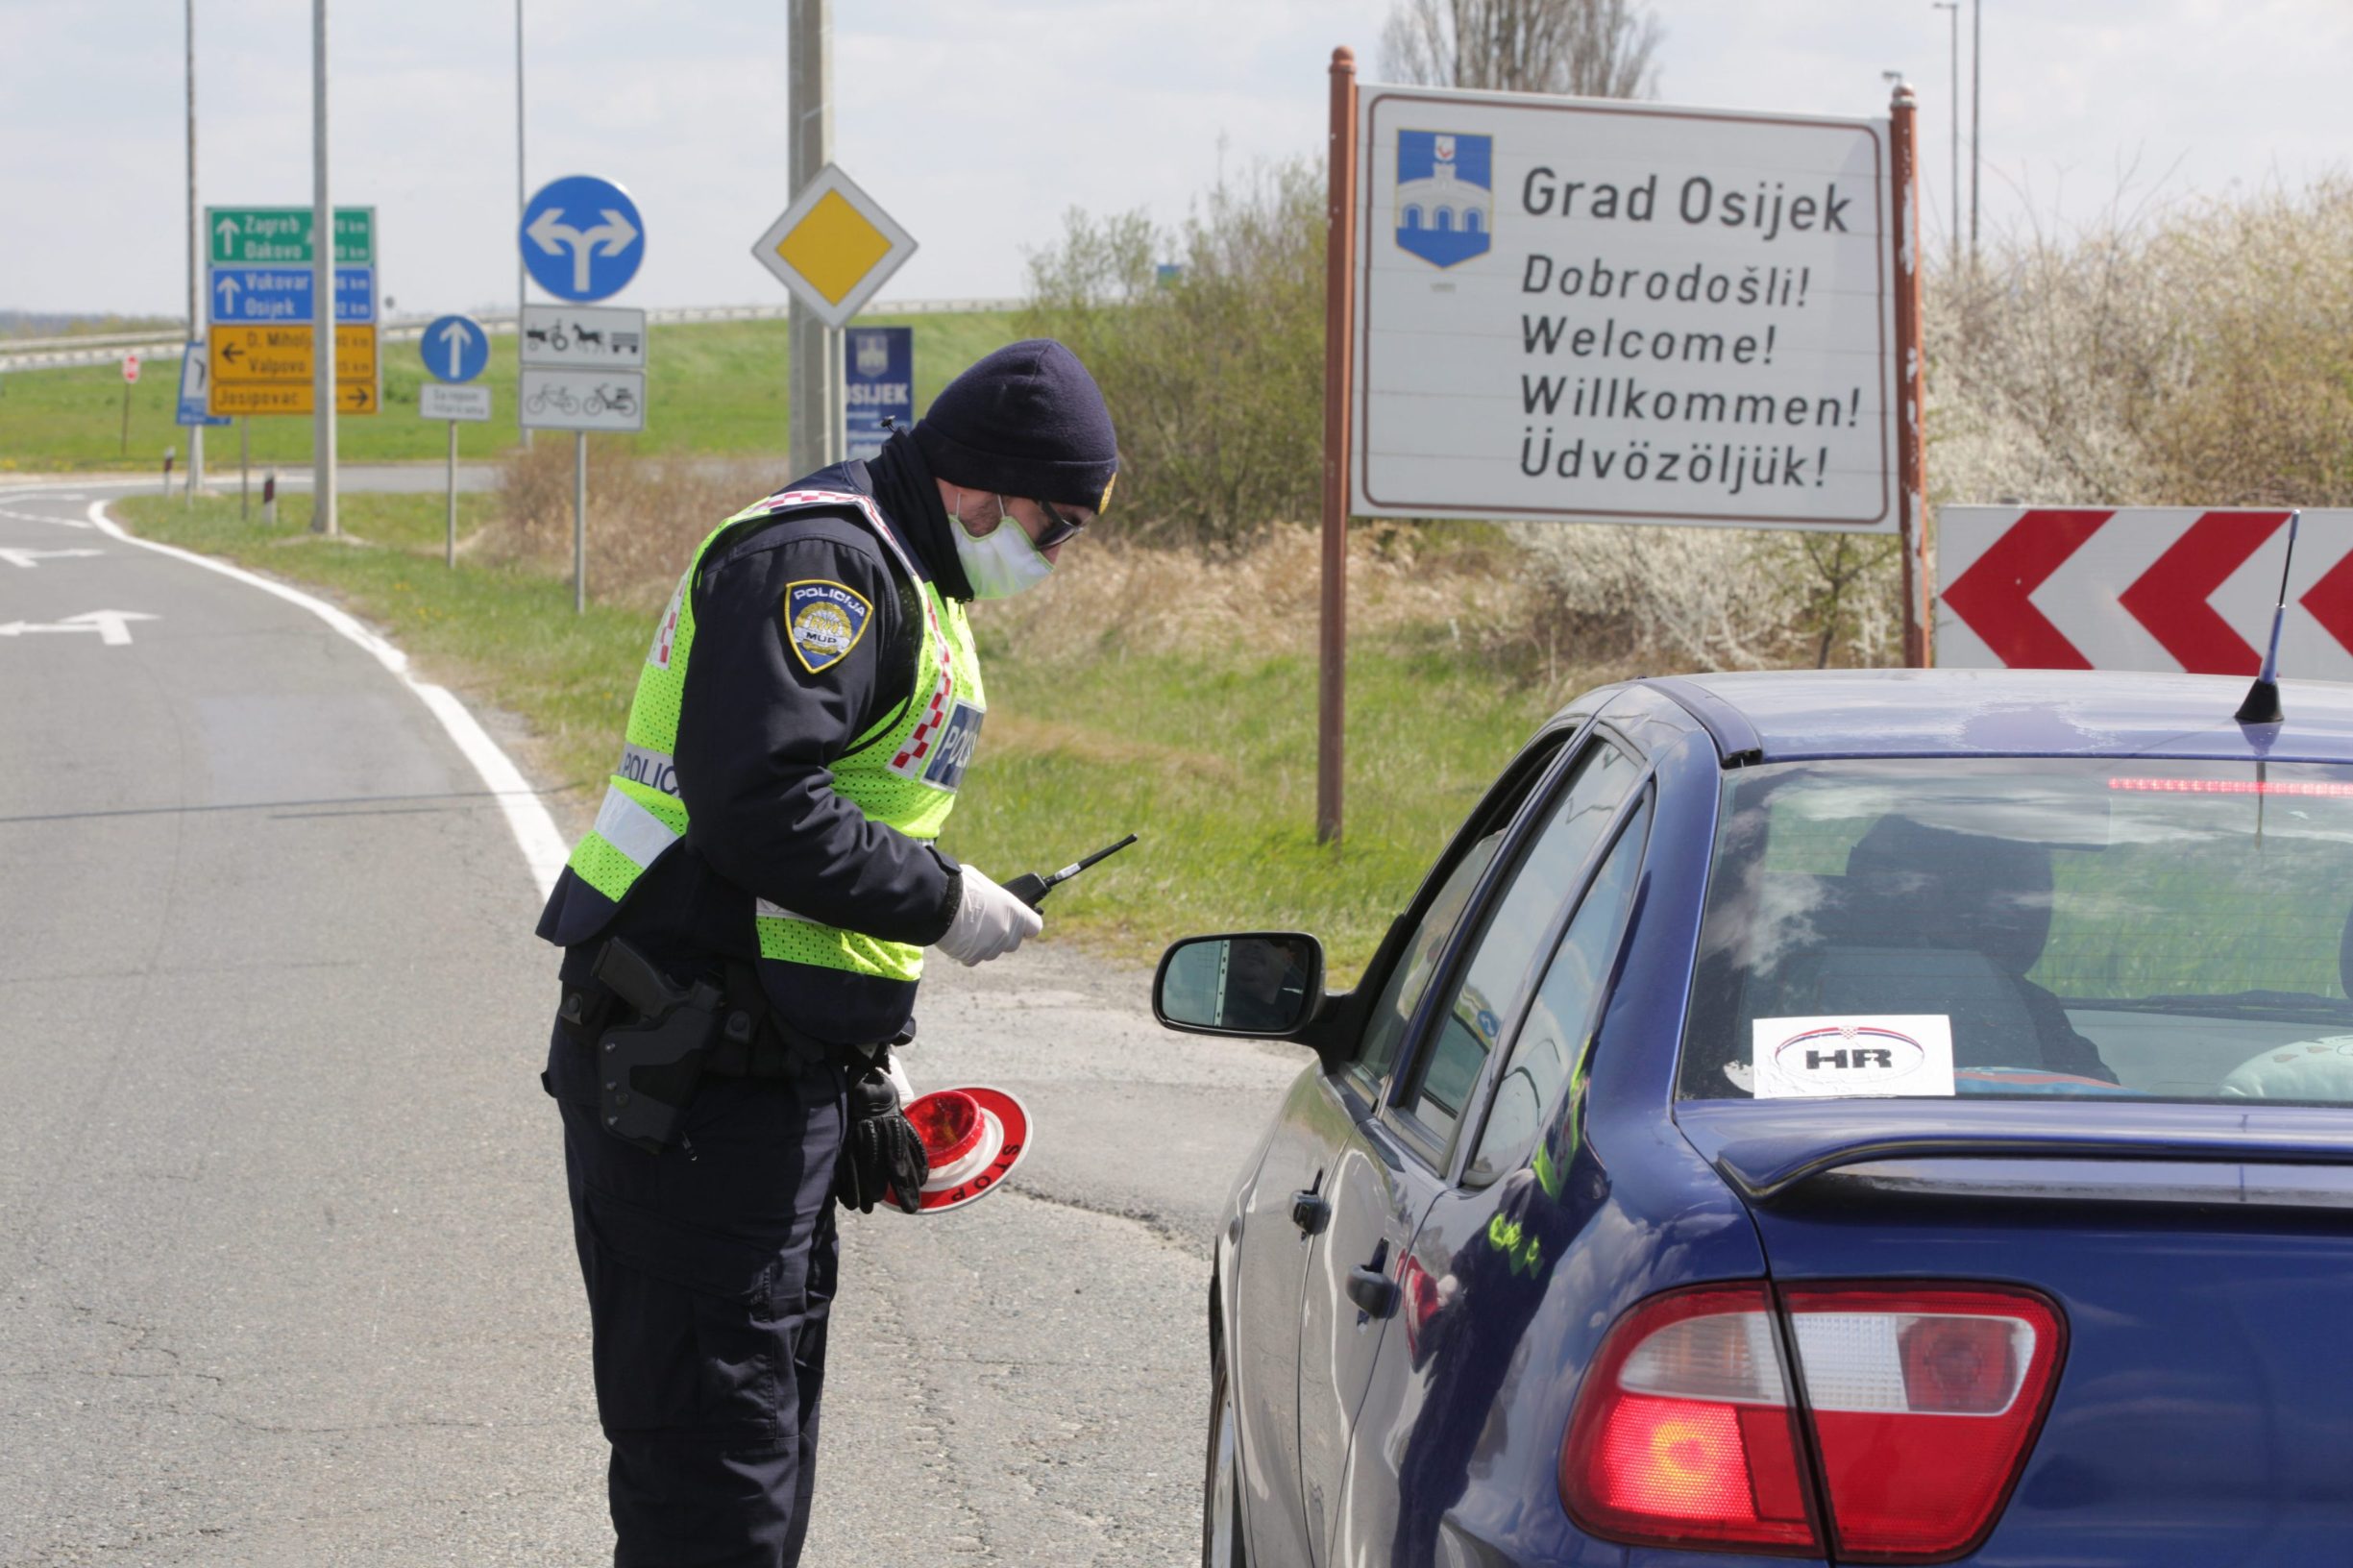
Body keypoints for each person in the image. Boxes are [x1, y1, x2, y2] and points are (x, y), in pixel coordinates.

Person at [534, 339, 1118, 1566]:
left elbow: (826, 842)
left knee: (761, 1449)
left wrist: (866, 1053)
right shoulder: (826, 566)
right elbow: (757, 803)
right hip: (687, 1077)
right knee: (713, 1474)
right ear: (981, 485)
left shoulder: (913, 576)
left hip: (764, 1073)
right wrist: (942, 902)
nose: (1054, 557)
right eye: (1052, 528)